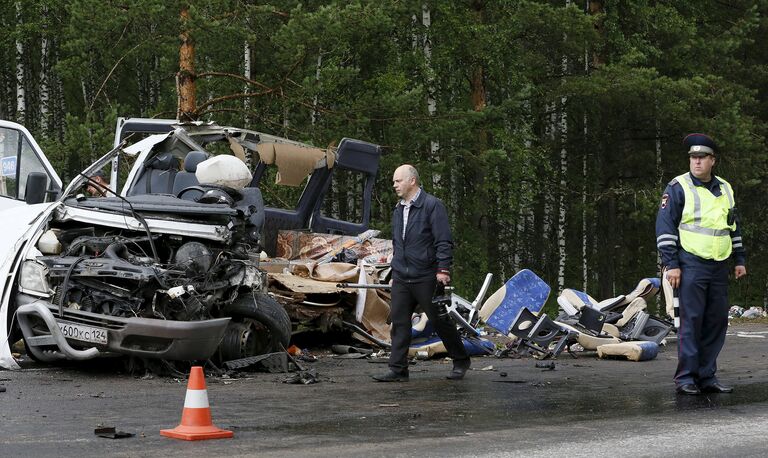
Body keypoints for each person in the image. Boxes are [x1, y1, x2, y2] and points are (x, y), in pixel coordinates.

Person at [656, 133, 746, 395]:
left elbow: (733, 226)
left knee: (716, 321)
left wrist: (739, 259)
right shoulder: (677, 187)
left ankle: (707, 376)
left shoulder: (725, 188)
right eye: (693, 157)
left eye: (701, 157)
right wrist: (671, 264)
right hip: (690, 263)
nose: (696, 162)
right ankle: (685, 378)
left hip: (719, 265)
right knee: (691, 322)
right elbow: (665, 227)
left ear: (712, 161)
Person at [373, 164, 470, 382]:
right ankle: (398, 370)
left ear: (412, 181)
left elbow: (443, 240)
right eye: (394, 181)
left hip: (426, 274)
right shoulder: (398, 209)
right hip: (401, 275)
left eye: (398, 181)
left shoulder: (432, 205)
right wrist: (394, 266)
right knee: (399, 323)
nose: (394, 185)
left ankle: (461, 360)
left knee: (439, 321)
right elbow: (399, 242)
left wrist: (443, 270)